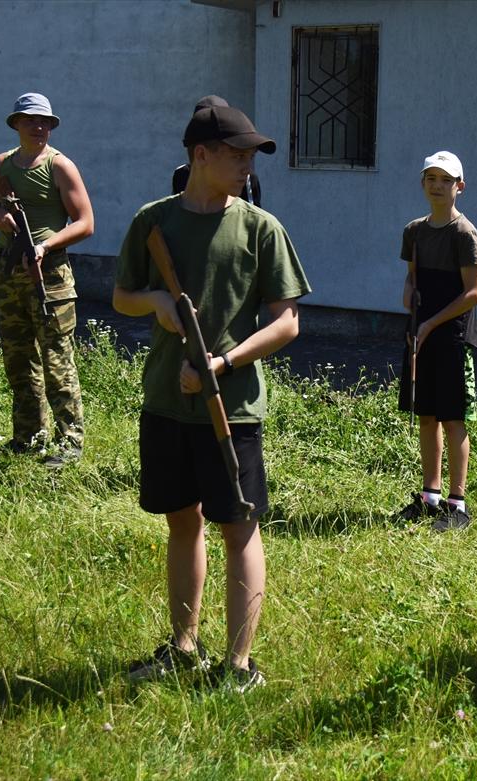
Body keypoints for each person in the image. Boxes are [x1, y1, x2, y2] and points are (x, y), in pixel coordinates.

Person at [113, 102, 310, 691]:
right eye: (237, 154)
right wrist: (157, 302)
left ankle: (239, 665)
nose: (248, 165)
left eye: (251, 156)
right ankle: (183, 648)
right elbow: (123, 295)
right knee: (182, 521)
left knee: (238, 526)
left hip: (233, 408)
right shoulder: (153, 223)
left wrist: (223, 363)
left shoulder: (260, 228)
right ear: (201, 155)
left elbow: (287, 322)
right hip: (166, 402)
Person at [0, 93, 94, 466]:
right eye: (30, 120)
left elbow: (85, 223)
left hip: (50, 274)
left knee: (56, 358)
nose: (38, 126)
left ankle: (70, 443)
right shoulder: (1, 165)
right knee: (18, 357)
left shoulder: (60, 166)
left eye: (44, 121)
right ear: (16, 124)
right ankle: (28, 436)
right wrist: (0, 219)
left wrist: (45, 245)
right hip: (9, 270)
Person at [393, 151, 477, 532]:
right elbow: (412, 276)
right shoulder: (414, 231)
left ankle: (457, 504)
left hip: (452, 337)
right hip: (421, 334)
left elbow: (474, 293)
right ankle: (430, 497)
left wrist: (431, 323)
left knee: (452, 417)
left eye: (446, 180)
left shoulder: (464, 234)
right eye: (431, 178)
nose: (437, 185)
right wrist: (408, 293)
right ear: (422, 183)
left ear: (459, 186)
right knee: (426, 414)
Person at [171, 95, 262, 205]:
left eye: (250, 156)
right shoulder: (181, 174)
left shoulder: (247, 179)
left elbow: (252, 211)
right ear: (201, 154)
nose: (246, 169)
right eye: (238, 156)